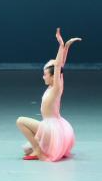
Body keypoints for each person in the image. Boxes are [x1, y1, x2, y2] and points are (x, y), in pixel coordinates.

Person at [17, 28, 82, 162]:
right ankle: (37, 148)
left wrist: (61, 45)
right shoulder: (54, 86)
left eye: (45, 74)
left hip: (51, 129)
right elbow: (60, 65)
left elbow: (58, 67)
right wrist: (66, 48)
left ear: (53, 77)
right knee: (27, 149)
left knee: (20, 121)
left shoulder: (56, 88)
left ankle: (38, 151)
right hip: (55, 128)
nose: (43, 77)